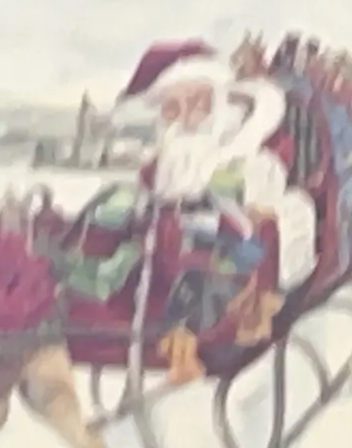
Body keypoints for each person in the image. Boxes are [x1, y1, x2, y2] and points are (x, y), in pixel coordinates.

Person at [122, 42, 318, 294]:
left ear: (217, 100)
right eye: (172, 108)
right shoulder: (165, 158)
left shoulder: (246, 144)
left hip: (225, 252)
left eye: (196, 101)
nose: (186, 116)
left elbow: (263, 191)